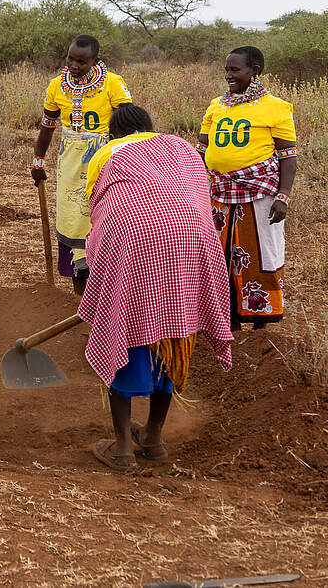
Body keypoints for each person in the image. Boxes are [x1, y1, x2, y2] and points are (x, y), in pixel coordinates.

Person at [80, 105, 232, 472]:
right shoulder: (182, 148)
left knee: (124, 329)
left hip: (135, 241)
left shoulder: (108, 152)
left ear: (114, 134)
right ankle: (153, 437)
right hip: (194, 242)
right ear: (151, 128)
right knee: (174, 332)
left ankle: (121, 449)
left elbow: (98, 207)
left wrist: (99, 265)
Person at [198, 46, 297, 331]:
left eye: (235, 69)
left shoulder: (276, 107)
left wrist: (283, 197)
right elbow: (202, 150)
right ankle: (227, 319)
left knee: (259, 254)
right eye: (226, 70)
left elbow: (288, 158)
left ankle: (259, 324)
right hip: (219, 192)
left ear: (255, 71)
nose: (228, 75)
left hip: (260, 194)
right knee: (219, 255)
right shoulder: (216, 105)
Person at [30, 35, 132, 295]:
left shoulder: (112, 83)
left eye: (82, 62)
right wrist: (38, 160)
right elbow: (47, 126)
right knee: (72, 217)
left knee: (105, 217)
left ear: (95, 61)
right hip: (71, 161)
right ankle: (79, 292)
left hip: (106, 157)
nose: (74, 65)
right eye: (70, 59)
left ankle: (108, 286)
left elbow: (129, 124)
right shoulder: (56, 86)